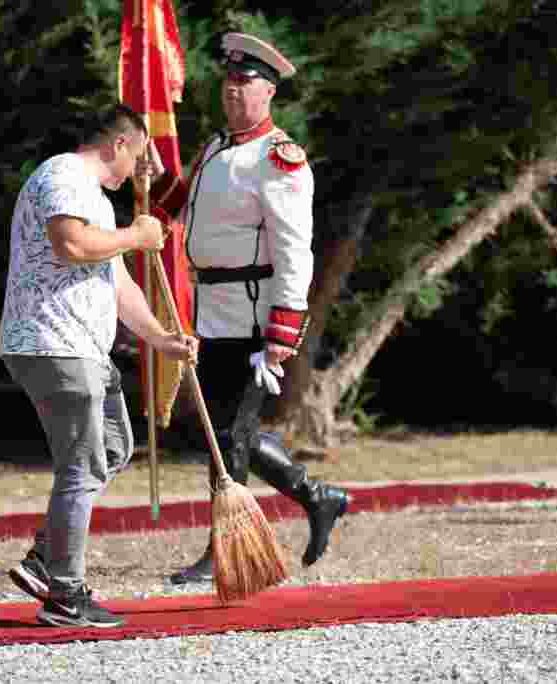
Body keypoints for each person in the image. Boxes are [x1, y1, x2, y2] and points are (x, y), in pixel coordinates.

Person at [142, 33, 350, 585]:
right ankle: (317, 497)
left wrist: (284, 327)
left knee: (227, 434)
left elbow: (293, 250)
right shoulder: (217, 146)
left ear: (270, 91)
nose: (234, 92)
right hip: (212, 308)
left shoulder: (278, 160)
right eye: (229, 82)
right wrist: (149, 193)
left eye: (246, 83)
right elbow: (185, 200)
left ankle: (224, 552)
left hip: (254, 314)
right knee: (223, 429)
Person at [0, 104, 198, 627]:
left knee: (112, 448)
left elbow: (118, 285)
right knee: (83, 464)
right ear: (118, 145)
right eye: (138, 156)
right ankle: (65, 594)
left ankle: (47, 558)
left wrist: (160, 338)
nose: (139, 170)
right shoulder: (65, 175)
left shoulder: (98, 202)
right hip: (53, 345)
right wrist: (138, 236)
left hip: (83, 347)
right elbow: (70, 246)